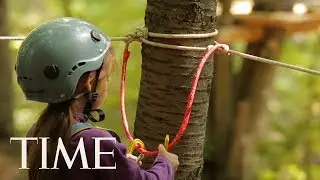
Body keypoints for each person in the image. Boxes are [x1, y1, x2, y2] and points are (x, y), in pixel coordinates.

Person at [15, 17, 179, 180]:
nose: (107, 83)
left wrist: (118, 165)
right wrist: (166, 165)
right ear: (90, 82)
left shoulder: (37, 132)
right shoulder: (94, 142)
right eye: (106, 78)